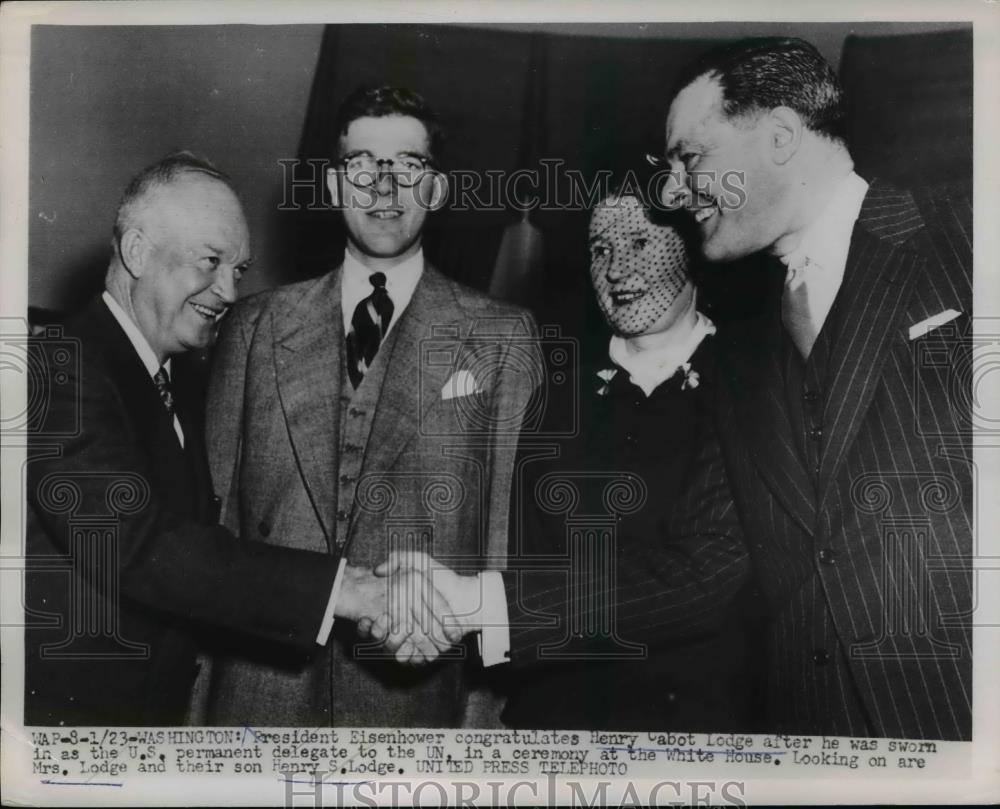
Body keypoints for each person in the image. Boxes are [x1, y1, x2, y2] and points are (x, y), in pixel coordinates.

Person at [649, 37, 972, 739]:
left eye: (689, 157)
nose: (671, 191)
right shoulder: (735, 357)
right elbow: (702, 571)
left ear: (780, 135)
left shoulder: (971, 232)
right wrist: (477, 603)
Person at [24, 153, 408, 726]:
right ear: (136, 252)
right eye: (211, 261)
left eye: (240, 269)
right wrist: (344, 590)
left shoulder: (180, 383)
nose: (229, 291)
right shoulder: (58, 367)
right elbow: (136, 542)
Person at [202, 86, 540, 727]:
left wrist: (480, 717)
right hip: (255, 696)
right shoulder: (253, 327)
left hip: (413, 708)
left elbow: (500, 537)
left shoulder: (502, 336)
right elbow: (215, 533)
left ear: (436, 191)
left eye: (408, 166)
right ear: (333, 186)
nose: (384, 188)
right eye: (363, 166)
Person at [368, 189, 760, 732]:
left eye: (642, 242)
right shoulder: (545, 390)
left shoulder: (755, 382)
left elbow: (709, 576)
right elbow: (492, 534)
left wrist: (474, 606)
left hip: (699, 733)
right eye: (600, 249)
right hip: (552, 727)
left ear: (694, 251)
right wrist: (418, 590)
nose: (619, 268)